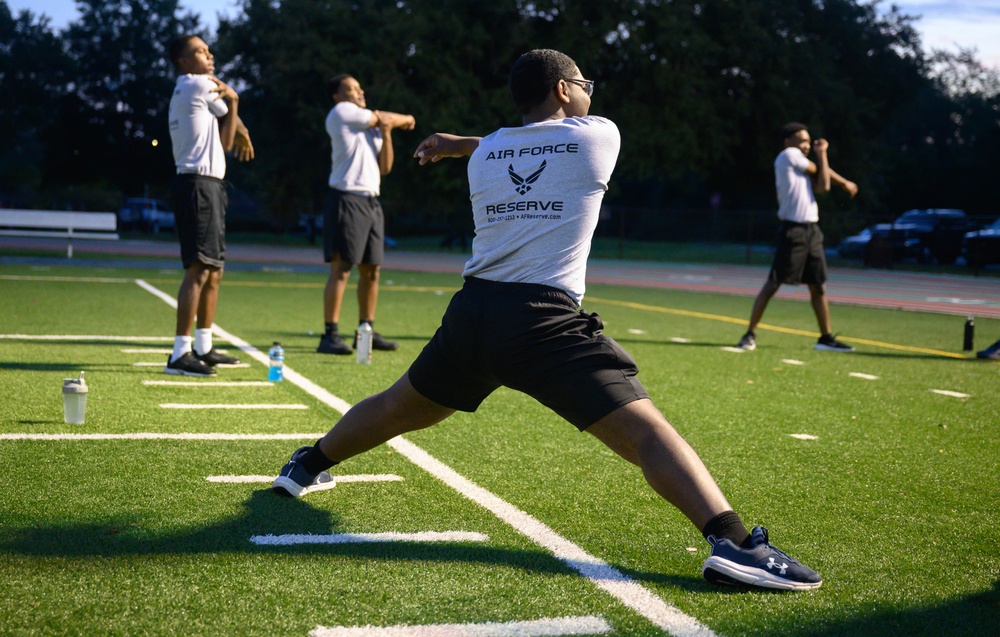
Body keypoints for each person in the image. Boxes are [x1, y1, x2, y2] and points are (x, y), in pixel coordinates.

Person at [273, 49, 822, 591]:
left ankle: (305, 465)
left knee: (399, 406)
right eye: (583, 82)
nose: (589, 92)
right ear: (563, 89)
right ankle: (734, 543)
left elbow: (498, 142)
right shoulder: (597, 135)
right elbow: (539, 140)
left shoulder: (488, 155)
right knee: (644, 431)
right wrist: (458, 142)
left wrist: (452, 144)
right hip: (543, 319)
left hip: (473, 313)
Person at [163, 35, 254, 376]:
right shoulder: (198, 83)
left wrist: (235, 113)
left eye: (208, 49)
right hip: (198, 184)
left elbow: (227, 129)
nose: (209, 55)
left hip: (209, 184)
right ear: (183, 62)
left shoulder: (193, 87)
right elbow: (228, 125)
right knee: (199, 269)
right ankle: (179, 353)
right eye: (200, 51)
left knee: (214, 270)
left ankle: (203, 346)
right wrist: (235, 103)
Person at [316, 74, 416, 355]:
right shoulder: (342, 112)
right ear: (337, 96)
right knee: (342, 268)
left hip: (371, 201)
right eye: (350, 89)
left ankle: (365, 332)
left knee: (372, 270)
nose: (358, 93)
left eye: (360, 89)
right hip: (346, 198)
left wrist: (386, 131)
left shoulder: (371, 126)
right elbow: (389, 118)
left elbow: (385, 167)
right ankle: (329, 335)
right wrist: (406, 118)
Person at [736, 123, 859, 352]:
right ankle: (749, 334)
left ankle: (825, 337)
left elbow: (822, 184)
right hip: (793, 230)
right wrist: (840, 176)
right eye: (802, 140)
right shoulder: (788, 155)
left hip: (812, 230)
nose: (806, 145)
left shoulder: (802, 166)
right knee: (774, 282)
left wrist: (824, 159)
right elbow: (824, 181)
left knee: (817, 286)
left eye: (808, 141)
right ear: (788, 141)